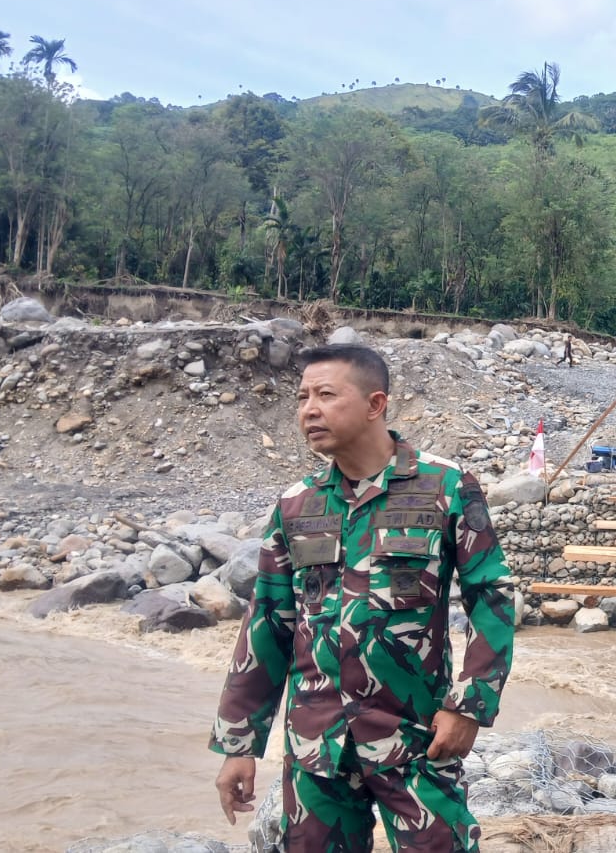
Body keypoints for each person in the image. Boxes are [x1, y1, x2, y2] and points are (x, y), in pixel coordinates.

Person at [210, 344, 516, 853]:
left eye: (326, 395)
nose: (309, 409)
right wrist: (239, 745)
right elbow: (268, 623)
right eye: (303, 396)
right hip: (316, 747)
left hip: (416, 737)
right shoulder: (296, 504)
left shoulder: (445, 486)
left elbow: (493, 596)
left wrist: (470, 705)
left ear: (376, 405)